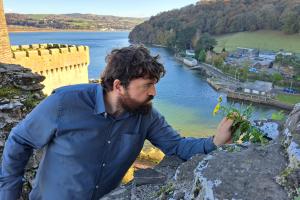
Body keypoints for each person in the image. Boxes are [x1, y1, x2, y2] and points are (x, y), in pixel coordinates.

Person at [0, 45, 233, 200]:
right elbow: (19, 140)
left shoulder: (146, 116)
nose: (154, 92)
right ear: (118, 86)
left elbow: (177, 146)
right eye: (146, 85)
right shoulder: (64, 103)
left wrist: (215, 141)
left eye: (154, 84)